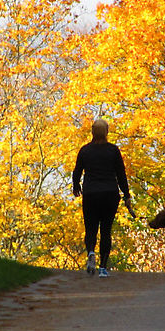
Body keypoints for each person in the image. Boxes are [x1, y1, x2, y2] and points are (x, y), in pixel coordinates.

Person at [72, 118, 136, 277]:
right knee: (106, 230)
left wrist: (76, 187)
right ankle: (102, 268)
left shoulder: (85, 150)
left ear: (92, 132)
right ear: (106, 132)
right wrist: (126, 195)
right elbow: (121, 175)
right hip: (109, 194)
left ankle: (91, 253)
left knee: (91, 228)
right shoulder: (113, 150)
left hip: (91, 194)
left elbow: (76, 172)